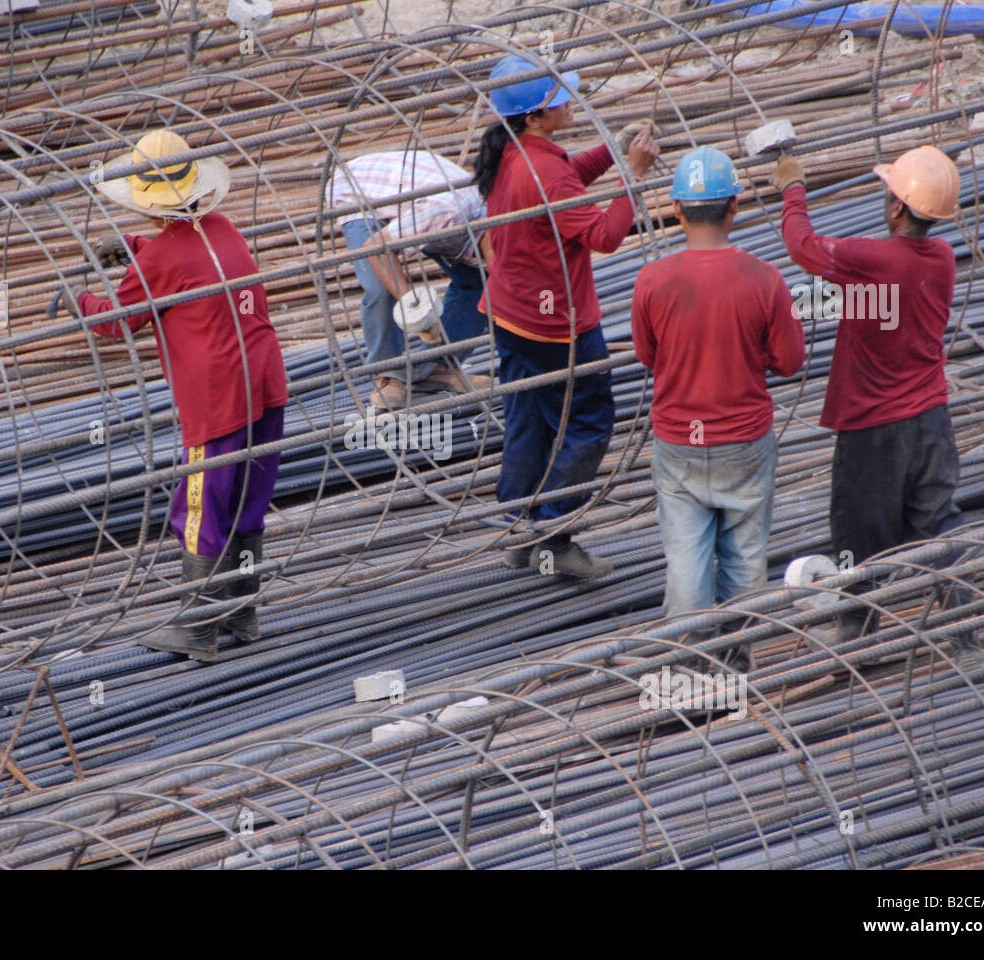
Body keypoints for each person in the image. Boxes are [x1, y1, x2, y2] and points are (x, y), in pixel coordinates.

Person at [55, 129, 288, 663]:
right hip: (265, 383)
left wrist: (78, 299)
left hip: (217, 399)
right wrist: (138, 250)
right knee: (247, 503)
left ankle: (198, 629)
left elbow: (116, 322)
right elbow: (182, 259)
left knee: (201, 508)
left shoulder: (161, 261)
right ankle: (240, 614)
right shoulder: (223, 228)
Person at [773, 144, 984, 671]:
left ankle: (859, 632)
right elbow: (883, 298)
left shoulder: (872, 260)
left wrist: (792, 188)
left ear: (897, 208)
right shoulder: (939, 259)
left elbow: (801, 246)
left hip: (874, 428)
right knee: (939, 524)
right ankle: (968, 642)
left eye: (888, 192)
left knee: (858, 530)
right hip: (931, 421)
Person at [474, 53, 658, 578]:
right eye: (559, 98)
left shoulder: (515, 152)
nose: (570, 102)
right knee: (588, 420)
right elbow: (603, 236)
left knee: (528, 420)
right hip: (555, 326)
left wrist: (612, 152)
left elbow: (565, 178)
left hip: (509, 313)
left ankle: (518, 528)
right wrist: (634, 176)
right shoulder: (546, 174)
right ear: (533, 117)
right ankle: (555, 533)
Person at [631, 146, 805, 672]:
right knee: (746, 556)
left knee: (686, 561)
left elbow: (648, 356)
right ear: (734, 209)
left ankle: (685, 668)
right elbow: (790, 360)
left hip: (681, 443)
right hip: (744, 443)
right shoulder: (764, 279)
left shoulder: (652, 281)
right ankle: (734, 663)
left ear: (677, 210)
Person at [327, 150, 492, 408]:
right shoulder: (446, 214)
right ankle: (389, 375)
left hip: (415, 191)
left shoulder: (499, 215)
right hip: (361, 189)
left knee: (479, 282)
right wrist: (410, 303)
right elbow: (377, 246)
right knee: (382, 287)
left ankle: (436, 367)